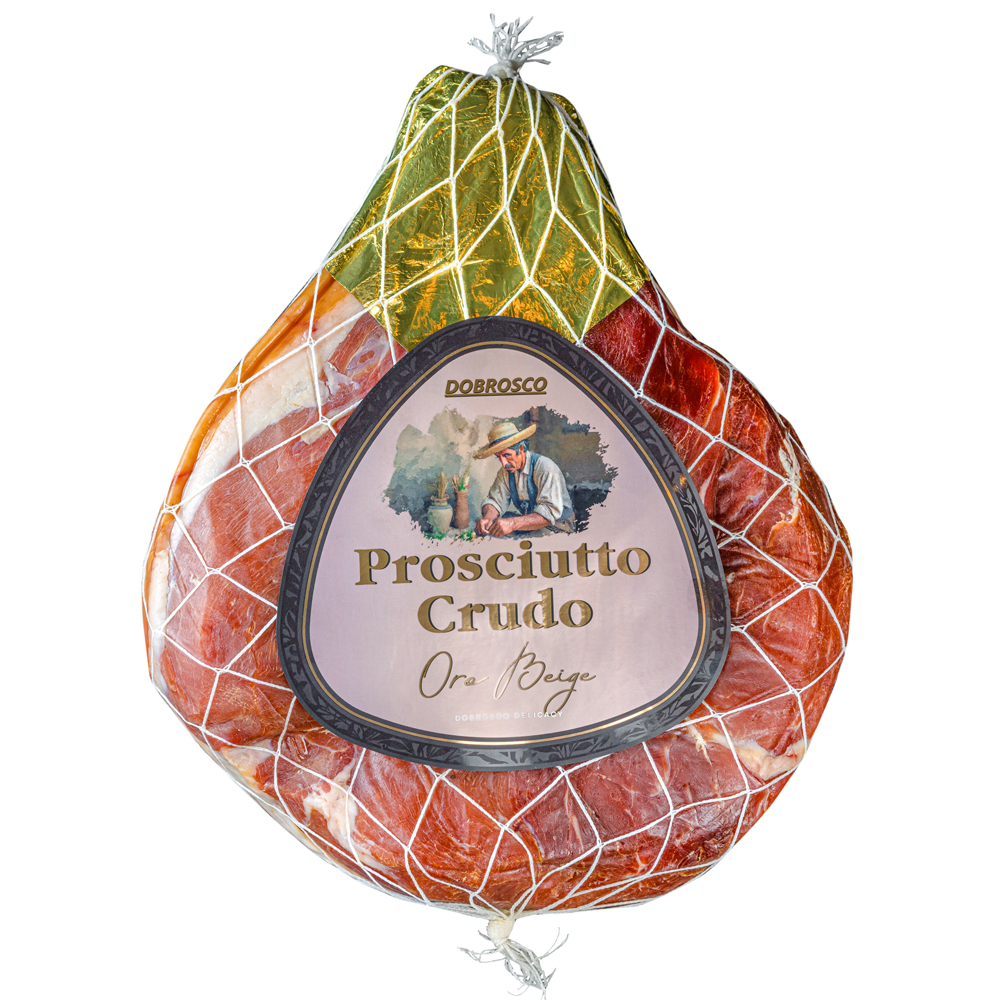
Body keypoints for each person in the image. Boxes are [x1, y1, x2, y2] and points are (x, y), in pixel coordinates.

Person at [473, 420, 575, 537]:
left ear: (521, 449)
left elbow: (549, 514)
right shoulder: (506, 471)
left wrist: (512, 524)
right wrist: (488, 518)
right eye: (498, 457)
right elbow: (495, 501)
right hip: (530, 524)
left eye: (507, 455)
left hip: (558, 526)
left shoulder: (545, 467)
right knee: (493, 530)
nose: (504, 463)